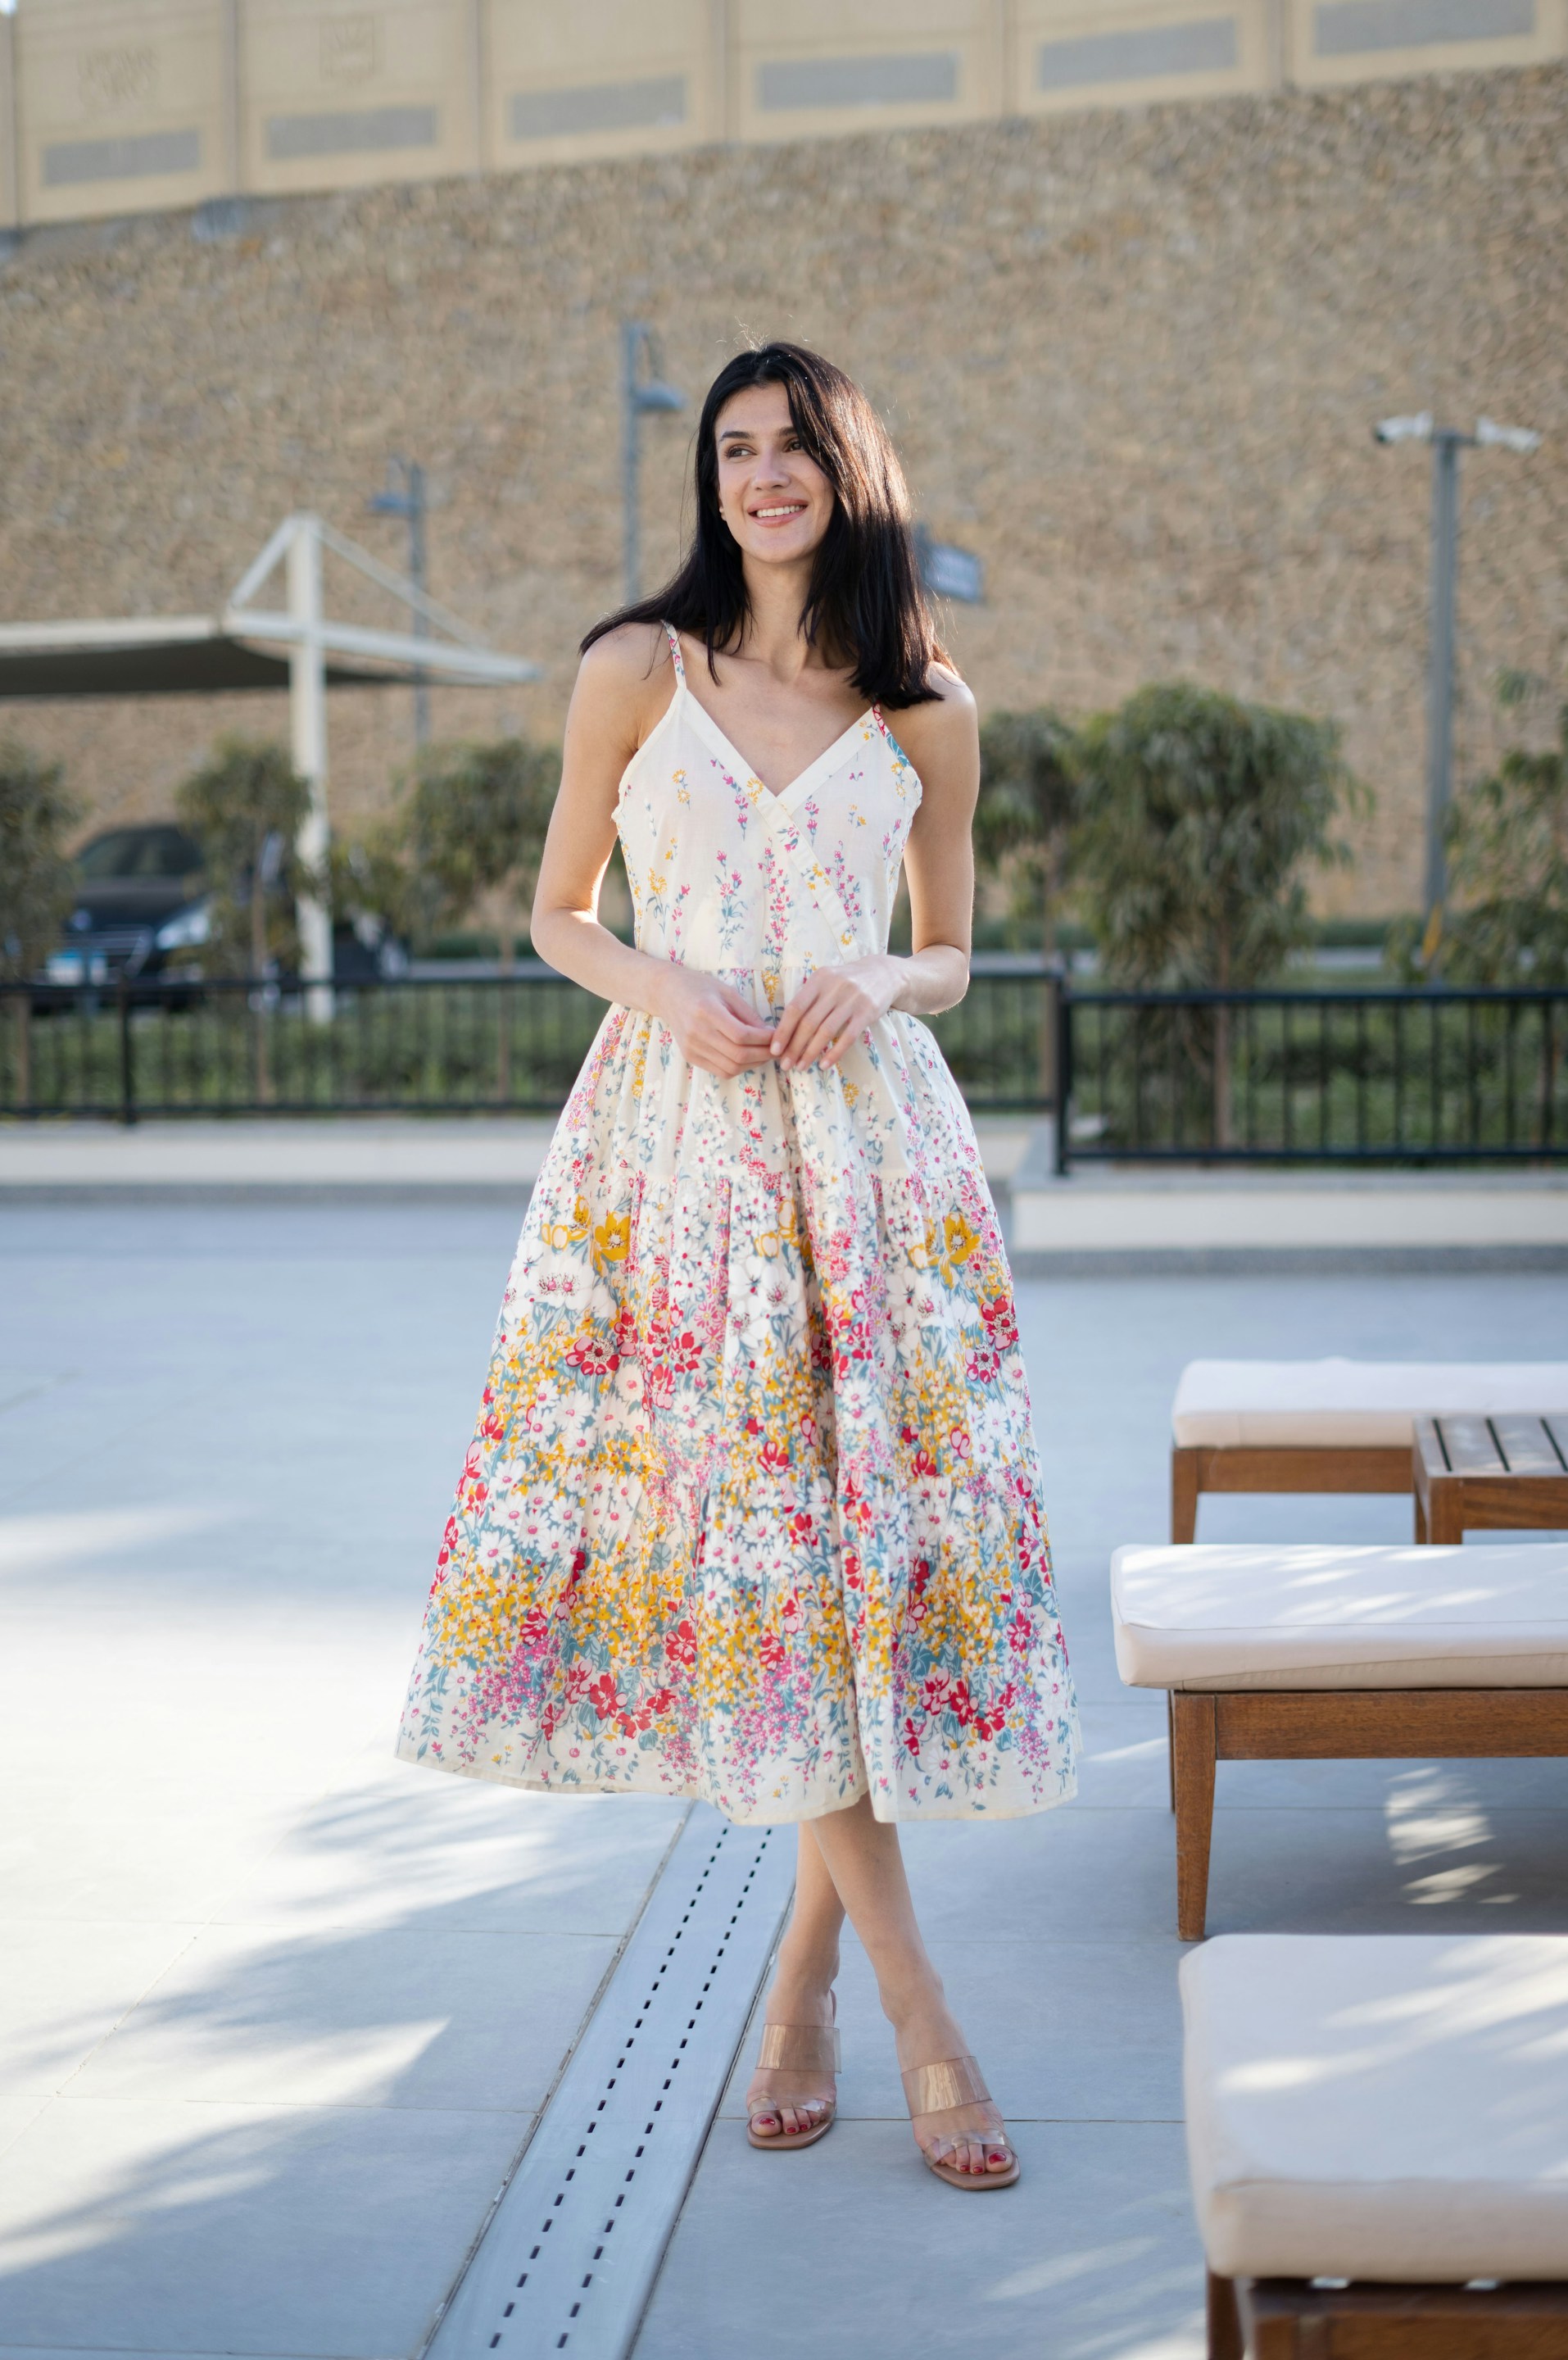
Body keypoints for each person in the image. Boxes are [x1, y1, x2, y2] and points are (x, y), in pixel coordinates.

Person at [397, 340, 1078, 2189]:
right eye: (732, 451)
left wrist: (884, 975)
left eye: (792, 449)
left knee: (834, 1577)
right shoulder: (636, 669)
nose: (762, 477)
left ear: (851, 472)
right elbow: (556, 911)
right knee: (773, 1560)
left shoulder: (928, 707)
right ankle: (923, 2018)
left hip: (870, 1172)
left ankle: (798, 1985)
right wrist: (664, 981)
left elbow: (949, 950)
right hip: (678, 1156)